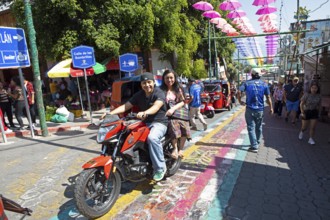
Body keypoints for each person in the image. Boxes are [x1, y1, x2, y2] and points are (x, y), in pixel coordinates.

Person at [100, 72, 168, 181]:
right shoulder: (139, 94)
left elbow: (156, 107)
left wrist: (145, 112)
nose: (147, 85)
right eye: (144, 83)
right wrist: (110, 113)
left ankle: (160, 168)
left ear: (153, 82)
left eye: (149, 82)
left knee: (152, 138)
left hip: (159, 122)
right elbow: (126, 106)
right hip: (144, 123)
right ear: (141, 84)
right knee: (126, 135)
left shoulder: (159, 93)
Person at [237, 70, 273, 153]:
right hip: (260, 109)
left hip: (250, 108)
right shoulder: (264, 84)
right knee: (259, 126)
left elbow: (239, 92)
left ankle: (254, 146)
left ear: (252, 75)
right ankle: (257, 141)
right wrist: (271, 107)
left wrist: (240, 101)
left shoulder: (247, 83)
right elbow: (268, 97)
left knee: (251, 127)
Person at [161, 70, 191, 159]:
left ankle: (181, 149)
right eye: (167, 78)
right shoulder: (160, 90)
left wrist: (173, 108)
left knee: (185, 126)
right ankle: (175, 148)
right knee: (173, 124)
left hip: (179, 112)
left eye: (171, 78)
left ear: (174, 78)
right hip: (168, 115)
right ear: (163, 79)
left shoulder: (178, 88)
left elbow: (183, 101)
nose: (169, 80)